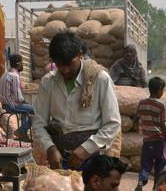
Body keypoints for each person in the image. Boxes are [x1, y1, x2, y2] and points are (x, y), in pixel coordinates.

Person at [33, 32, 121, 170]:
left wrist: (86, 148)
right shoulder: (48, 82)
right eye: (59, 65)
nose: (65, 70)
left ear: (80, 55)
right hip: (60, 157)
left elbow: (113, 123)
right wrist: (50, 148)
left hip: (92, 157)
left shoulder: (100, 79)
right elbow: (39, 123)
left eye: (69, 64)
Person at [133, 77, 166, 191]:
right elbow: (163, 124)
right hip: (158, 140)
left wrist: (137, 128)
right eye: (163, 89)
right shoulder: (161, 105)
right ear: (159, 90)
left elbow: (136, 119)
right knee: (159, 165)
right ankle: (155, 189)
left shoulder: (142, 103)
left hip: (147, 141)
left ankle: (140, 183)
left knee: (145, 165)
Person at [0, 54, 34, 139]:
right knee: (38, 112)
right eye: (22, 64)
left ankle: (23, 134)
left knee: (26, 110)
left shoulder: (4, 75)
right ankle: (21, 131)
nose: (23, 66)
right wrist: (25, 101)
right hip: (12, 106)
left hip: (5, 104)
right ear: (19, 64)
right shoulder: (14, 76)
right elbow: (18, 97)